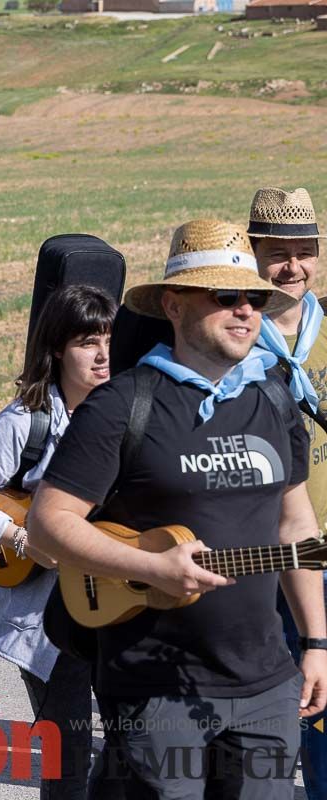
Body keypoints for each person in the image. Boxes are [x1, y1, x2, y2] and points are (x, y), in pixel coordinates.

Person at [29, 219, 327, 798]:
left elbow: (298, 527)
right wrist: (151, 568)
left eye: (253, 299)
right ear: (173, 304)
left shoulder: (273, 399)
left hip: (266, 686)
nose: (244, 311)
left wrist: (316, 643)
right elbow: (48, 523)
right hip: (153, 686)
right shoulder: (124, 404)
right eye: (224, 297)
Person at [0, 284, 117, 799]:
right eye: (88, 341)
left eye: (108, 338)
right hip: (48, 621)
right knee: (68, 756)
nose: (103, 353)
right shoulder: (26, 423)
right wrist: (20, 538)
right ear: (58, 347)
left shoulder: (126, 413)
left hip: (117, 609)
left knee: (136, 743)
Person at [248, 187, 327, 798]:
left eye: (304, 252)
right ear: (251, 255)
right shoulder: (234, 336)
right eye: (278, 253)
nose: (292, 267)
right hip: (258, 550)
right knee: (275, 696)